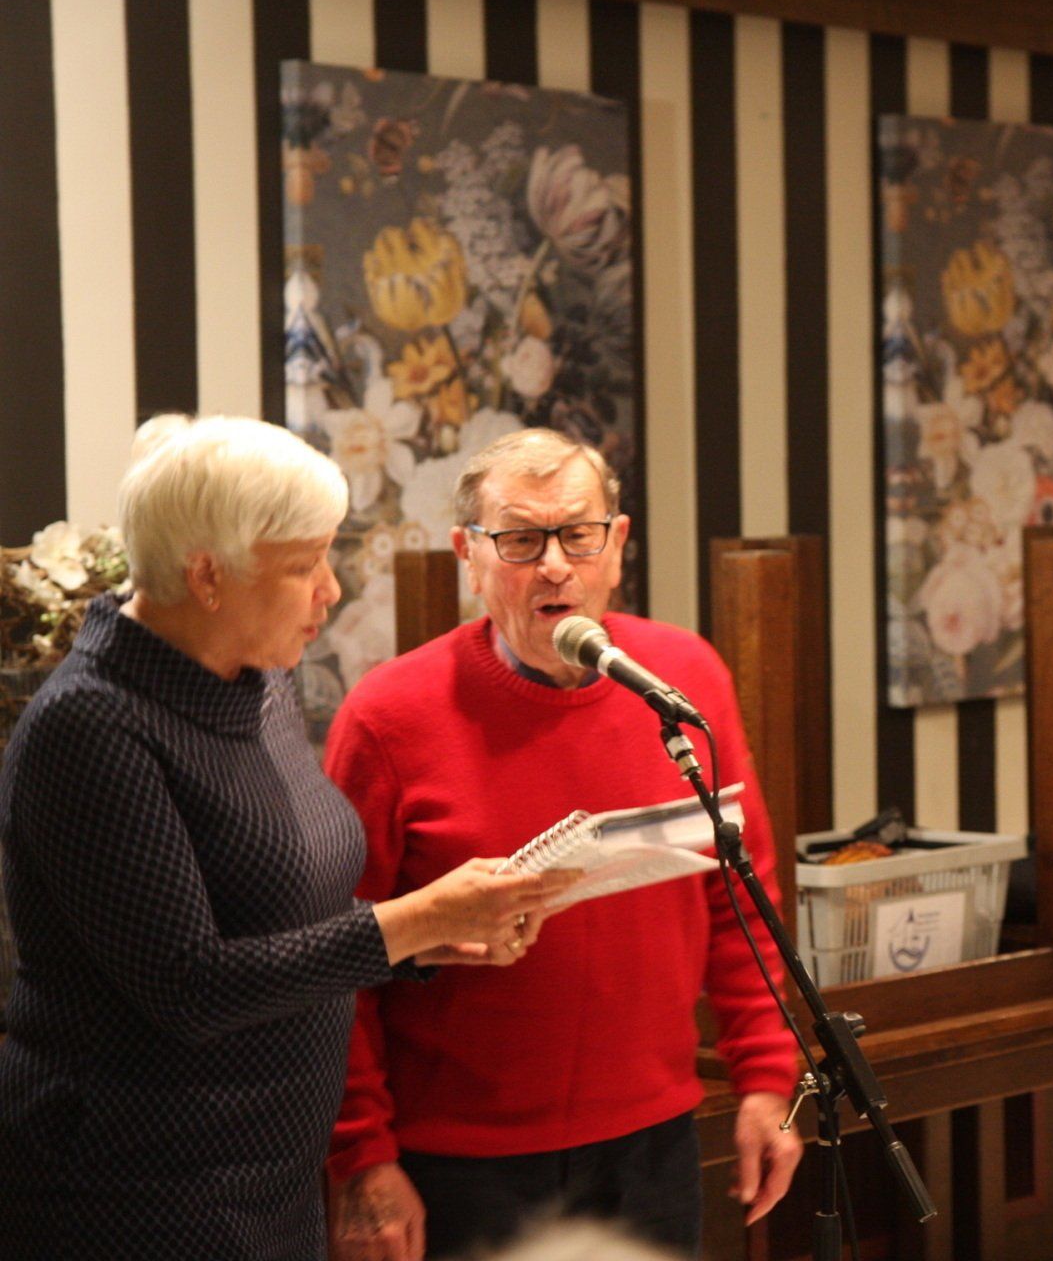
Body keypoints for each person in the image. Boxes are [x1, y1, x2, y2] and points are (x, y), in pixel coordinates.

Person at [0, 415, 568, 1260]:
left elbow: (282, 907)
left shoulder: (257, 679)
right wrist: (411, 920)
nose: (330, 590)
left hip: (270, 1177)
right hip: (134, 1193)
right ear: (207, 575)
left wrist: (431, 938)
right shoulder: (90, 726)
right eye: (305, 565)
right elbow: (191, 986)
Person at [325, 429, 801, 1259]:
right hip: (456, 1164)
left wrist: (765, 1078)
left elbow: (741, 898)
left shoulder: (683, 680)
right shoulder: (388, 715)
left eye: (578, 534)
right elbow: (337, 961)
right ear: (469, 555)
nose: (554, 566)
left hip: (651, 1145)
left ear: (616, 546)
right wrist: (361, 1154)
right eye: (520, 539)